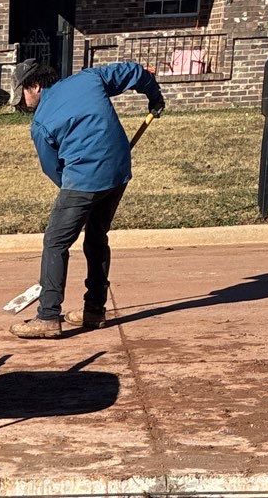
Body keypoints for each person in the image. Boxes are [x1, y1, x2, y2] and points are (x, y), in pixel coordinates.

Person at [12, 57, 165, 339]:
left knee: (55, 242)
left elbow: (53, 169)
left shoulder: (41, 123)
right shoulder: (89, 79)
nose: (22, 104)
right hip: (118, 172)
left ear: (33, 86)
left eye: (21, 95)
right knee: (96, 237)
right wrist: (154, 98)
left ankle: (47, 316)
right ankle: (94, 310)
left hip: (84, 179)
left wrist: (75, 192)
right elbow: (133, 71)